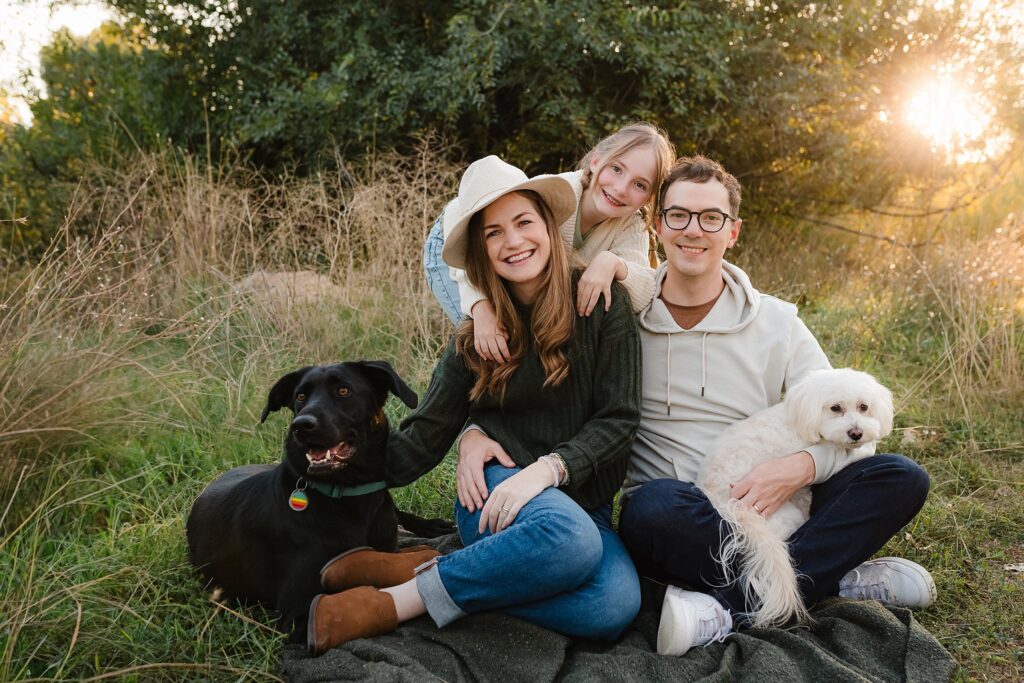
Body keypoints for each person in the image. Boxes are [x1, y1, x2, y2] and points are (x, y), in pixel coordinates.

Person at [306, 155, 643, 655]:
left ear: (550, 227)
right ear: (483, 252)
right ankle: (391, 604)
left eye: (524, 222)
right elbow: (419, 441)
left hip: (579, 503)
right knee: (572, 542)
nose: (513, 242)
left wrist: (551, 469)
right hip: (493, 493)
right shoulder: (475, 337)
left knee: (611, 606)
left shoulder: (602, 306)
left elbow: (619, 419)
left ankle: (428, 571)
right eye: (494, 233)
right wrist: (325, 454)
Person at [615, 155, 936, 656]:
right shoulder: (625, 319)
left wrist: (799, 466)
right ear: (658, 227)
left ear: (733, 232)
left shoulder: (779, 322)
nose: (693, 230)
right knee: (652, 506)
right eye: (678, 215)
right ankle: (831, 580)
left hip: (785, 505)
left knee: (901, 477)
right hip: (690, 516)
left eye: (711, 218)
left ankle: (724, 608)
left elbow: (845, 421)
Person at [423, 122, 674, 363]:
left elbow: (642, 292)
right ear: (596, 160)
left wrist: (613, 263)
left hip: (506, 255)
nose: (620, 188)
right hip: (457, 245)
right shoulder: (559, 191)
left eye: (639, 185)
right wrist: (479, 305)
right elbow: (460, 210)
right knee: (488, 342)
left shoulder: (631, 226)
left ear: (649, 198)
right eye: (616, 169)